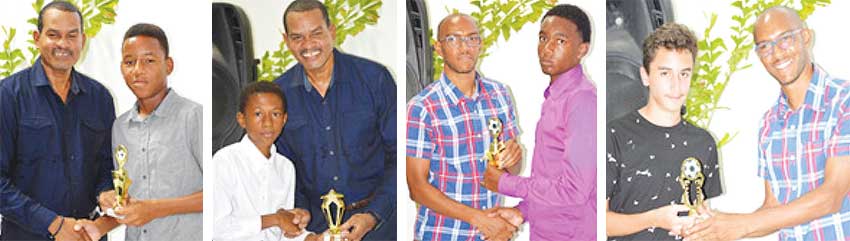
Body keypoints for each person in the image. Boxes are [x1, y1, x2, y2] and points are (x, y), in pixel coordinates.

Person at [683, 6, 850, 241]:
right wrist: (716, 228)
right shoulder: (770, 123)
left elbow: (832, 196)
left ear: (805, 37)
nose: (777, 54)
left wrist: (742, 225)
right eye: (765, 46)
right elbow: (773, 208)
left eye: (785, 39)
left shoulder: (843, 101)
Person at [272, 0, 396, 240]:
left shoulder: (374, 80)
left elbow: (399, 155)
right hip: (319, 230)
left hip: (380, 225)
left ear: (332, 31)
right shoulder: (279, 95)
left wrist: (373, 214)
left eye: (316, 34)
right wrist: (300, 212)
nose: (308, 45)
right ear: (287, 41)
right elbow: (283, 166)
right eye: (297, 38)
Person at [72, 23, 204, 241]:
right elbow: (132, 204)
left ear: (168, 65)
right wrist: (99, 227)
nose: (137, 70)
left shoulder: (193, 117)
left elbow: (217, 193)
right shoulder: (121, 126)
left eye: (149, 60)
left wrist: (154, 209)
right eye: (129, 62)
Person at [480, 4, 597, 240]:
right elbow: (552, 178)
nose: (547, 49)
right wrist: (523, 210)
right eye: (543, 38)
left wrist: (505, 183)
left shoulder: (582, 100)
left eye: (560, 41)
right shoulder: (555, 97)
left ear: (582, 50)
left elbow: (575, 190)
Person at [0, 2, 116, 240]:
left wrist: (105, 193)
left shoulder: (100, 98)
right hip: (26, 235)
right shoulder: (8, 95)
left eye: (72, 36)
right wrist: (53, 224)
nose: (63, 44)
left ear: (82, 40)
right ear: (37, 37)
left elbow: (106, 166)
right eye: (53, 35)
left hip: (87, 234)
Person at [406, 13, 524, 241]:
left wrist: (515, 157)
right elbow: (417, 188)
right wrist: (480, 220)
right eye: (453, 39)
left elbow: (512, 171)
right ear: (438, 48)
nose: (464, 47)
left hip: (491, 234)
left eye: (472, 38)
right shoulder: (423, 107)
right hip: (442, 234)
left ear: (480, 44)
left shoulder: (499, 94)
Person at [606, 22, 723, 240]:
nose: (676, 85)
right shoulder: (613, 136)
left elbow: (701, 210)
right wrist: (654, 219)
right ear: (645, 76)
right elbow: (598, 221)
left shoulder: (704, 142)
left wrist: (701, 226)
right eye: (665, 73)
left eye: (684, 74)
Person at [213, 81, 319, 241]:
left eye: (275, 114)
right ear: (241, 119)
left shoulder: (286, 167)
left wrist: (312, 238)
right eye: (258, 114)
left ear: (284, 119)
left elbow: (283, 233)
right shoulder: (225, 161)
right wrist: (275, 219)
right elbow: (215, 227)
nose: (268, 123)